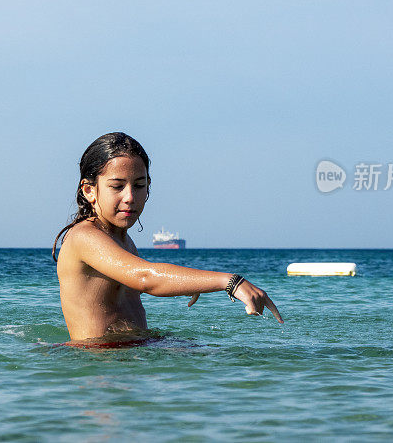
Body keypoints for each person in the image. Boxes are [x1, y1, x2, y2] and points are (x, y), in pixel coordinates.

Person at [52, 132, 283, 345]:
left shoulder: (123, 240)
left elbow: (144, 278)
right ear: (89, 190)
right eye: (117, 186)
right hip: (99, 369)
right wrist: (230, 282)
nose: (130, 197)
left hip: (132, 355)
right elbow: (146, 277)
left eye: (139, 185)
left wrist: (189, 282)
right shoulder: (84, 237)